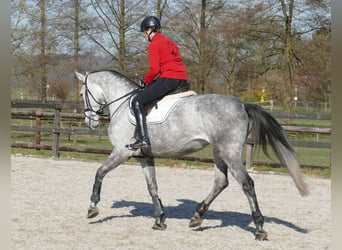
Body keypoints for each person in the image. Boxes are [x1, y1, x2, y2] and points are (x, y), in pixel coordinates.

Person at [128, 16, 190, 150]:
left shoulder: (154, 44)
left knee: (137, 102)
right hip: (182, 79)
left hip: (169, 79)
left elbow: (154, 69)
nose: (145, 35)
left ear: (150, 30)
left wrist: (145, 80)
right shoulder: (170, 42)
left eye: (145, 32)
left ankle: (143, 139)